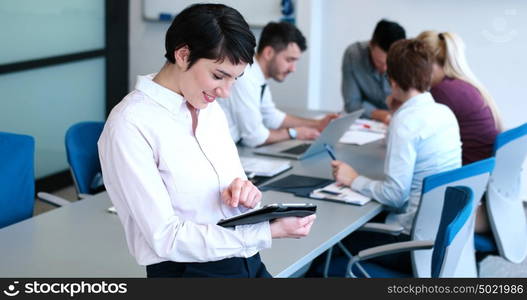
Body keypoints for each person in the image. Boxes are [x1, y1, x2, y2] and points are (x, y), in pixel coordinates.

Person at [97, 4, 316, 278]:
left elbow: (227, 189)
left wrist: (243, 192)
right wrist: (267, 230)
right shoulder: (130, 124)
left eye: (235, 80)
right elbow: (166, 238)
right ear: (183, 54)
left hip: (246, 261)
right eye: (218, 76)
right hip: (188, 272)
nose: (225, 92)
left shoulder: (209, 109)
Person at [331, 39, 462, 273]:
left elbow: (395, 195)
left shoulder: (405, 123)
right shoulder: (445, 113)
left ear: (391, 80)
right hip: (440, 237)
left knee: (331, 246)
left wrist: (352, 179)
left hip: (408, 242)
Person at [416, 31, 503, 233]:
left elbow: (419, 144)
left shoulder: (442, 92)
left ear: (429, 64)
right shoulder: (463, 85)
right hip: (480, 187)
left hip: (465, 197)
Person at [218, 22, 339, 147]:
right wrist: (294, 133)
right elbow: (254, 138)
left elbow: (272, 117)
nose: (293, 69)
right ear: (269, 53)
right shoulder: (245, 77)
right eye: (289, 60)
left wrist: (317, 124)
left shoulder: (258, 76)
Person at [341, 19, 406, 124]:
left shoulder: (409, 60)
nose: (385, 69)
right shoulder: (353, 56)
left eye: (390, 64)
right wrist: (382, 115)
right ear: (371, 45)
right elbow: (352, 103)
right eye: (379, 62)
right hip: (364, 124)